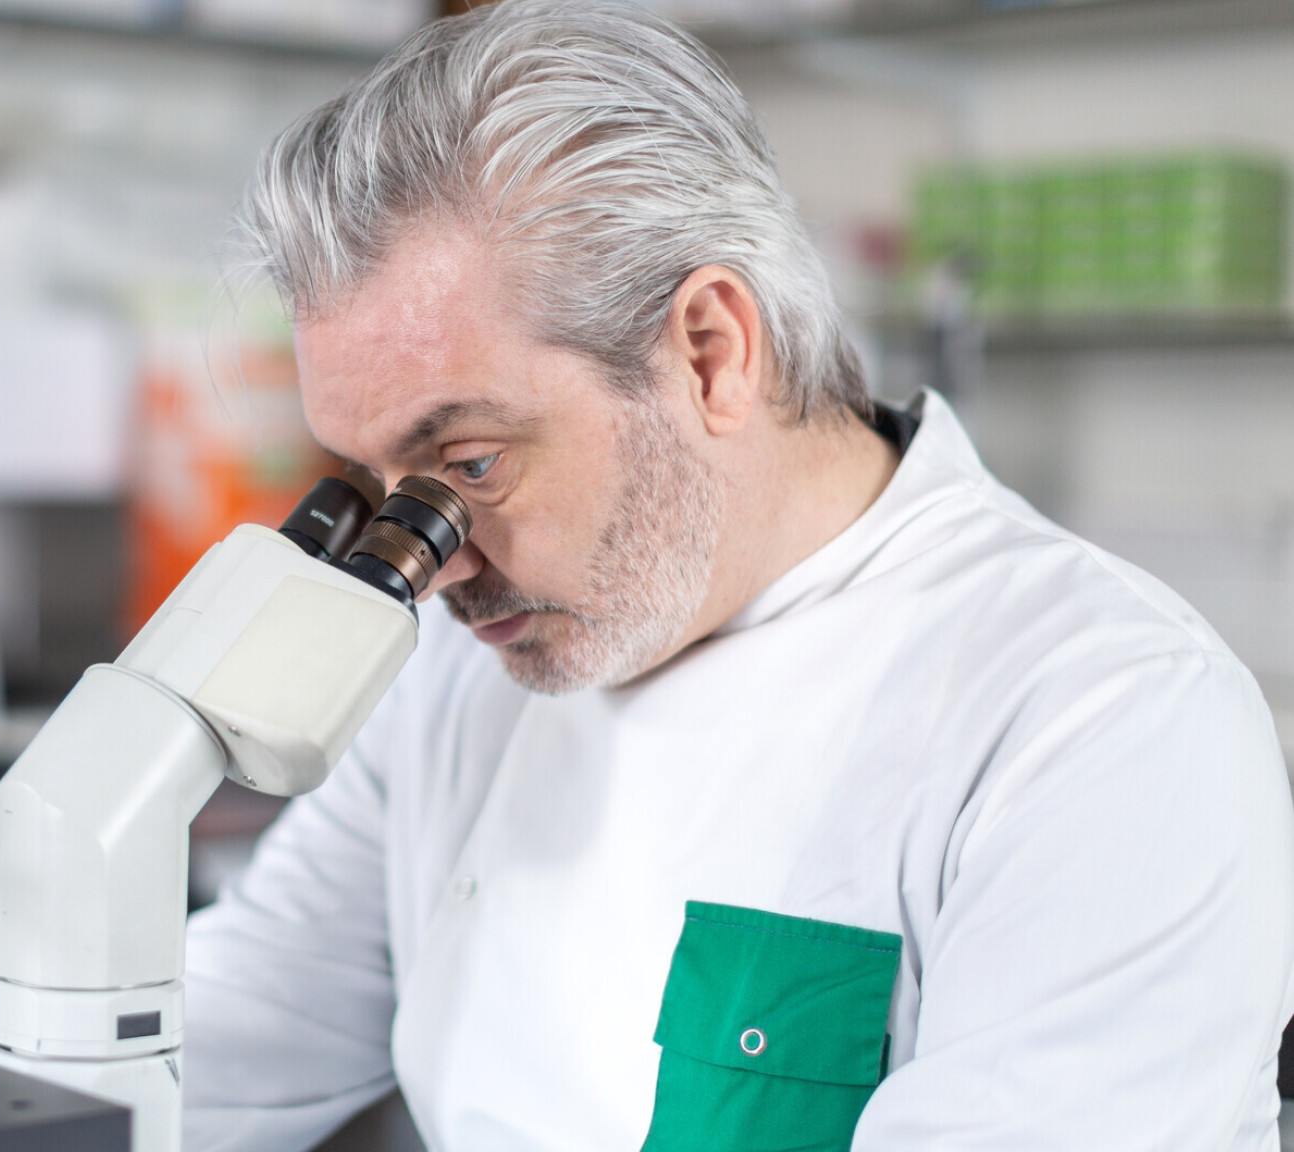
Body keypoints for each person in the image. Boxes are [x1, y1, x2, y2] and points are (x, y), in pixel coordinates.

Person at [180, 2, 1294, 1149]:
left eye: (468, 465)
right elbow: (222, 1042)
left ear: (710, 351)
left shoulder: (1097, 721)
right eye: (383, 482)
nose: (433, 556)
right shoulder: (456, 682)